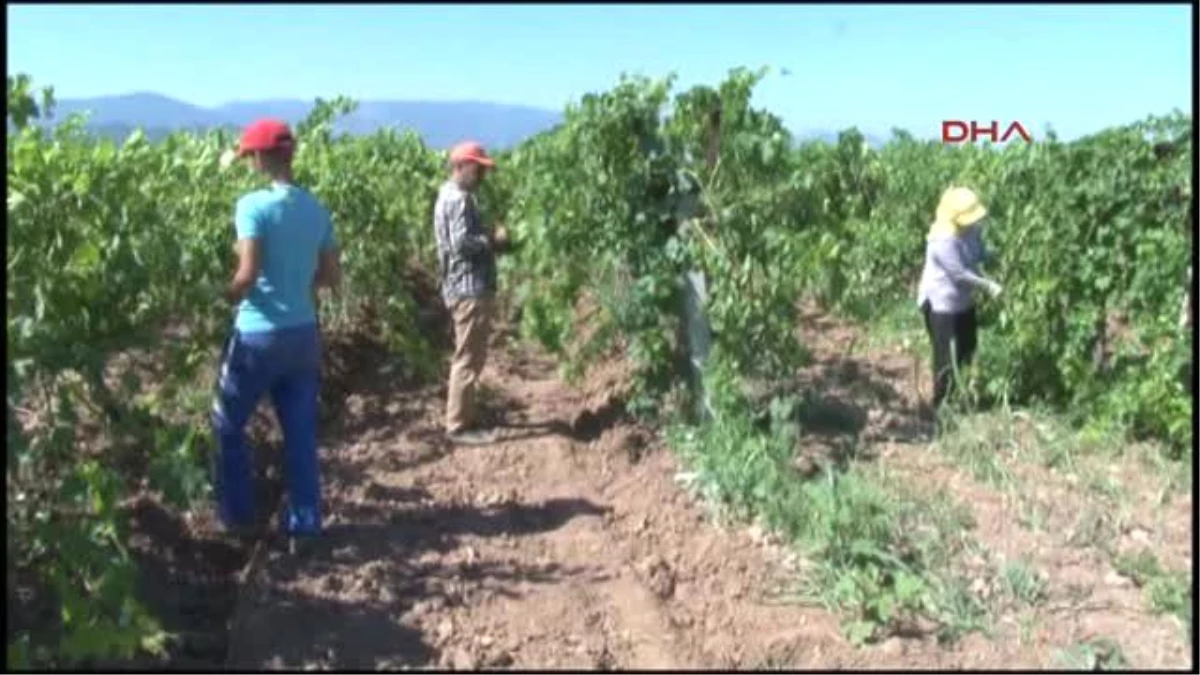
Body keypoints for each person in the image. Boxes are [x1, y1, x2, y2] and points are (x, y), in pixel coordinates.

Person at [212, 118, 341, 540]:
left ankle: (239, 519)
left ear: (261, 157)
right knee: (300, 435)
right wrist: (295, 285)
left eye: (248, 155)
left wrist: (219, 296)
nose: (248, 162)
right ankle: (306, 527)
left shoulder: (252, 206)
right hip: (303, 334)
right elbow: (330, 276)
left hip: (258, 335)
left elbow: (246, 275)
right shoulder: (316, 209)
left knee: (227, 425)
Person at [433, 140, 509, 445]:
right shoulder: (459, 200)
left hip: (463, 286)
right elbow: (461, 244)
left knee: (470, 355)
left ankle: (465, 416)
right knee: (468, 357)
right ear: (461, 167)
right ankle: (459, 426)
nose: (482, 177)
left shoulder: (449, 195)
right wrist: (493, 240)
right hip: (468, 288)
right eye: (478, 170)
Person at [916, 186, 1002, 413]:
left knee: (968, 348)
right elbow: (959, 275)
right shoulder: (942, 239)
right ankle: (941, 406)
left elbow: (979, 251)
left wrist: (994, 255)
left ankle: (963, 397)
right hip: (942, 305)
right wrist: (989, 286)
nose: (973, 223)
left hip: (964, 301)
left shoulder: (972, 229)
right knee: (946, 356)